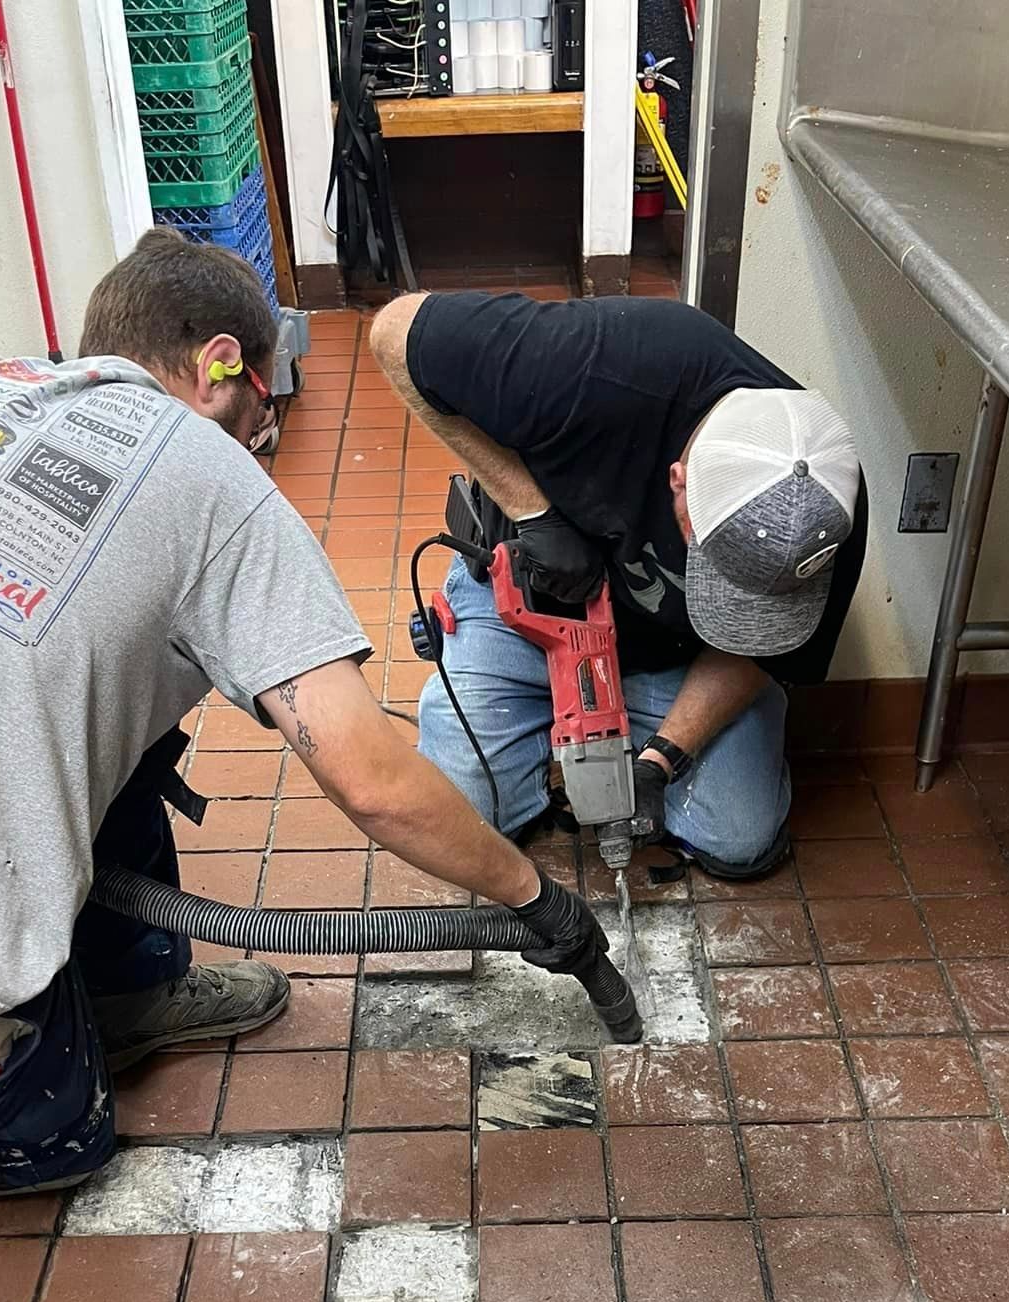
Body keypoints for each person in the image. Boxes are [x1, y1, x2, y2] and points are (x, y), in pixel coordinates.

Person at [0, 232, 605, 1228]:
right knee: (56, 1140)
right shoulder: (211, 481)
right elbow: (372, 779)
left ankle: (125, 991)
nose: (269, 425)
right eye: (269, 396)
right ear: (222, 363)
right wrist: (534, 898)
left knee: (131, 704)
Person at [369, 290, 867, 877]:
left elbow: (752, 650)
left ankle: (622, 731)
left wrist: (661, 760)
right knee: (460, 819)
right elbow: (393, 331)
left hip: (671, 657)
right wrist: (533, 513)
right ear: (679, 481)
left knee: (737, 837)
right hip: (523, 611)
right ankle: (512, 703)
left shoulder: (824, 515)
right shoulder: (592, 365)